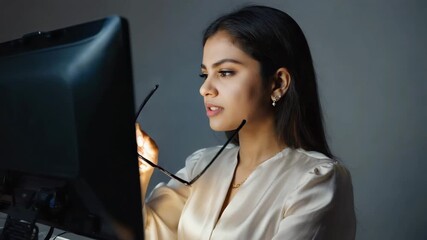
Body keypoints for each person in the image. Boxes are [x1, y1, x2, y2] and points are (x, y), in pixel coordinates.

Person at [136, 5, 356, 240]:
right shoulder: (202, 166)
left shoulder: (316, 179)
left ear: (278, 83)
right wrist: (139, 171)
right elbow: (141, 233)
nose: (205, 89)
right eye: (204, 74)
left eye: (225, 72)